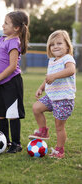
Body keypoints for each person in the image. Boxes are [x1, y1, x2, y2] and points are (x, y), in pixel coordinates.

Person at [0, 10, 30, 153]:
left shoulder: (14, 42)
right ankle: (4, 141)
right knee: (1, 114)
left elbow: (12, 67)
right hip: (2, 84)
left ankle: (16, 144)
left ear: (16, 28)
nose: (3, 25)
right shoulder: (1, 39)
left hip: (12, 82)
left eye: (6, 23)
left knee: (12, 114)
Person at [29, 30, 76, 158]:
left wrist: (54, 76)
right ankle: (43, 131)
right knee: (36, 108)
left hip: (64, 99)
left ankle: (59, 150)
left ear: (67, 45)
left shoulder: (68, 58)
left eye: (59, 43)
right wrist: (41, 87)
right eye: (52, 44)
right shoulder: (52, 61)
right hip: (51, 97)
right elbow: (48, 77)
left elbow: (71, 70)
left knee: (59, 127)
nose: (55, 46)